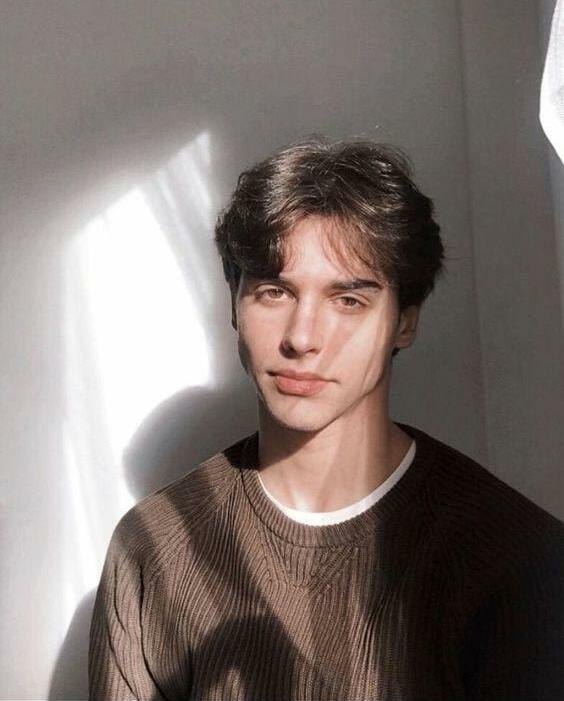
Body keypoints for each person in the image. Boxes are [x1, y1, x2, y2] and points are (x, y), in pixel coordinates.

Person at [89, 137, 564, 700]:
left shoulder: (518, 557)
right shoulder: (152, 546)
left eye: (347, 300)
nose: (302, 337)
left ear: (405, 321)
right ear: (234, 303)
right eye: (274, 292)